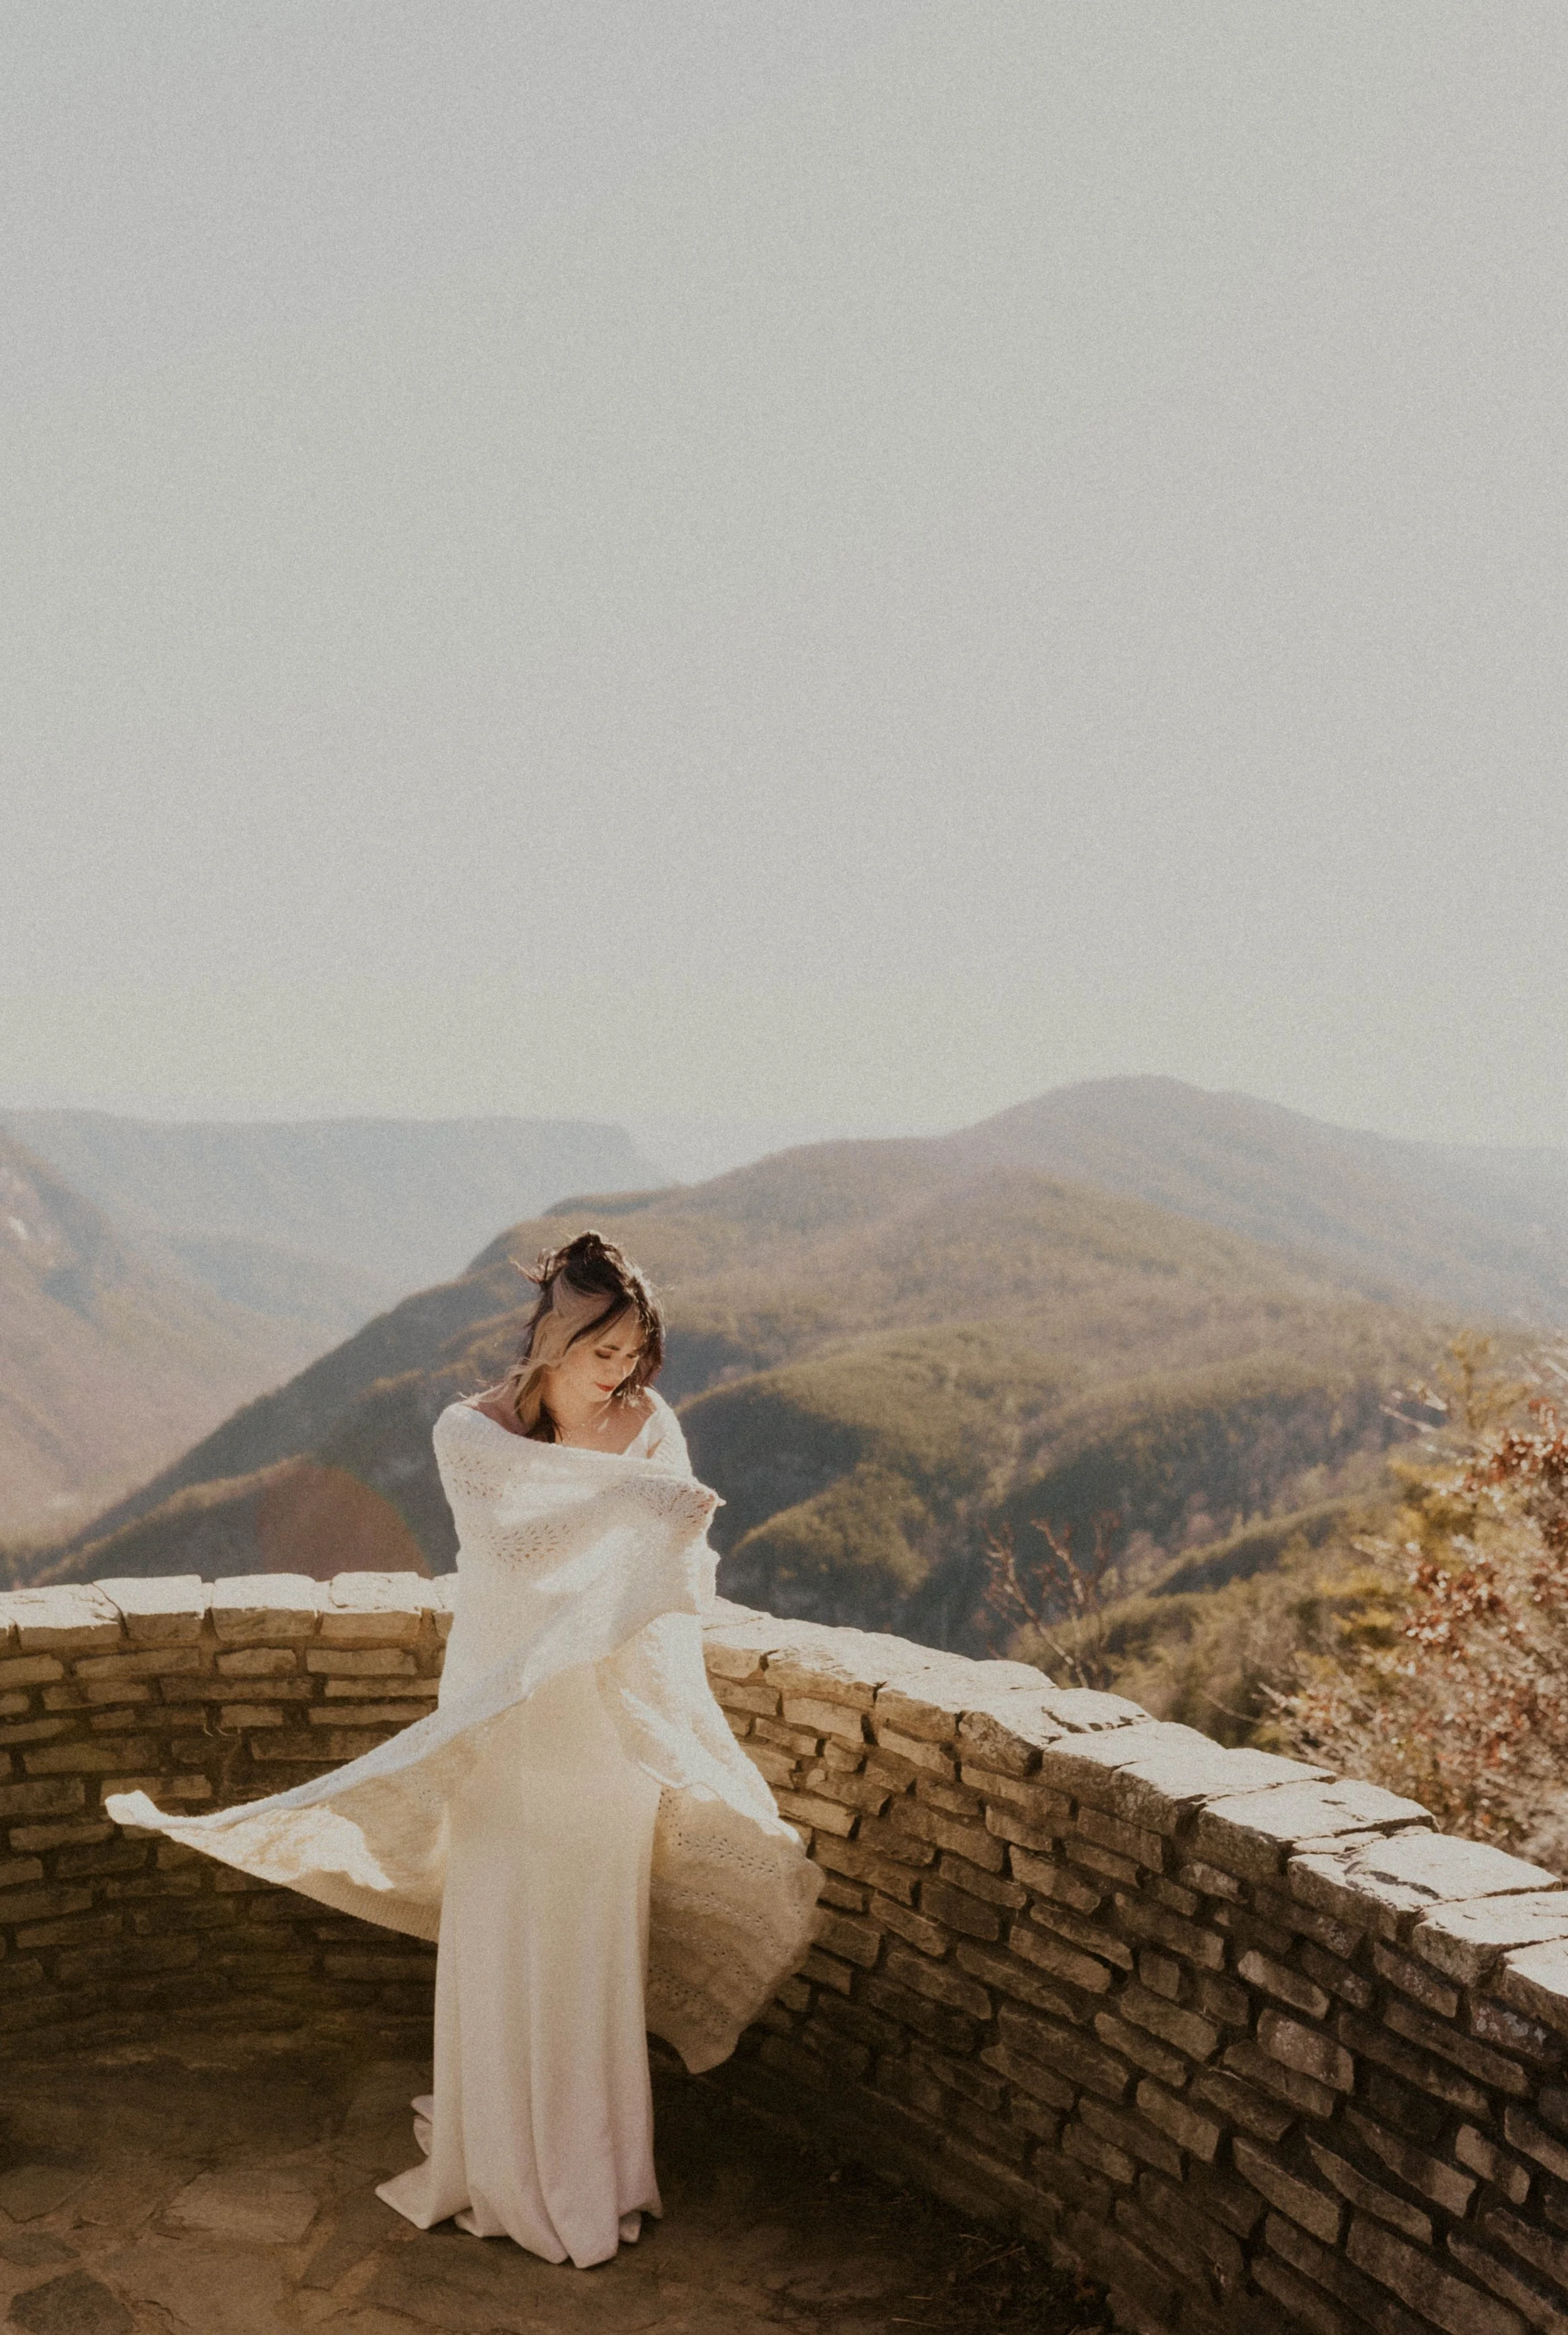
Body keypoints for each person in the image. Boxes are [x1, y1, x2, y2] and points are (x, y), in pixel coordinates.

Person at [106, 1230, 821, 2269]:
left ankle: (596, 2166)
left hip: (600, 1732)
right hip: (505, 1722)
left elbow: (665, 1580)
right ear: (549, 1336)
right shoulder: (468, 1432)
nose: (618, 1371)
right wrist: (638, 1505)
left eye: (631, 1350)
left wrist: (661, 1517)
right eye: (598, 1349)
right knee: (504, 1927)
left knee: (586, 1941)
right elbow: (518, 1554)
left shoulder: (652, 1424)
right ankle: (501, 2157)